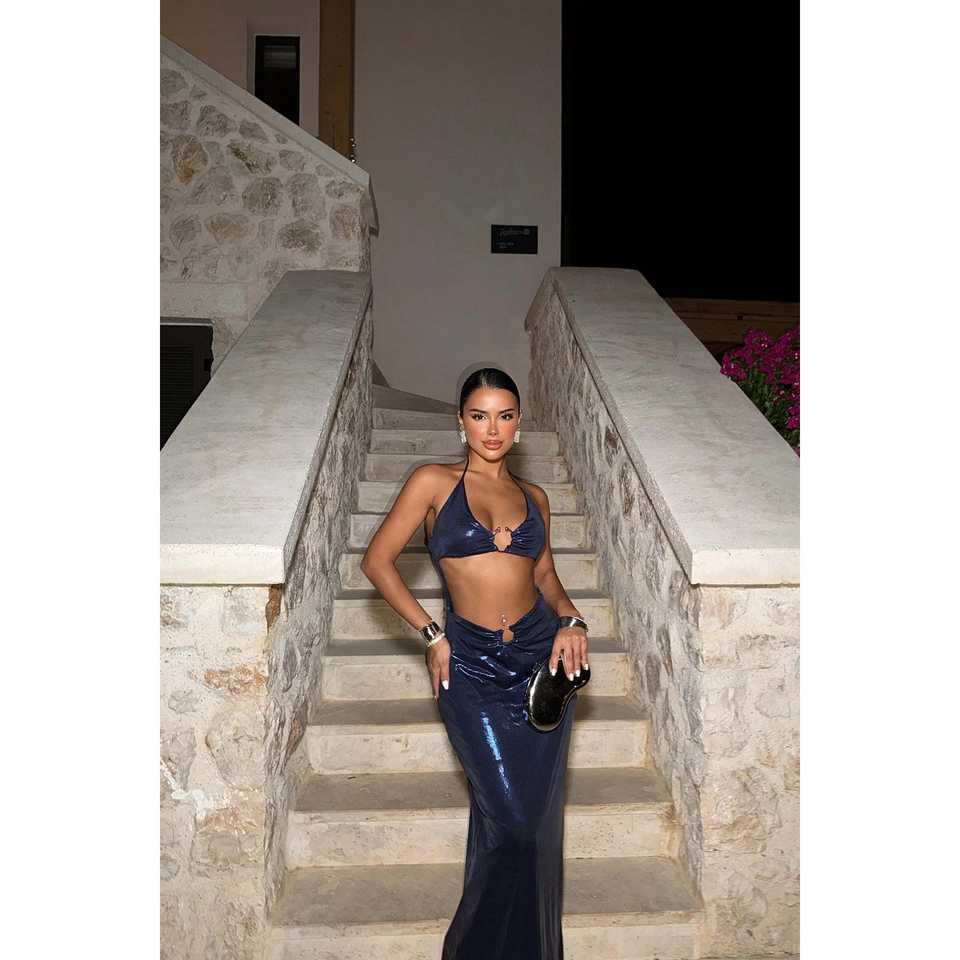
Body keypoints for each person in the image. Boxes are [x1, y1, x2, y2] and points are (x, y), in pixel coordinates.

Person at [360, 367, 589, 960]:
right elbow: (377, 562)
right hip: (470, 671)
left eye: (505, 416)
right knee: (511, 824)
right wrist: (431, 633)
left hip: (538, 668)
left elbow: (545, 576)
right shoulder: (433, 482)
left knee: (532, 830)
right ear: (460, 421)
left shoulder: (535, 498)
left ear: (519, 423)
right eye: (480, 415)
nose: (493, 428)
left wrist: (572, 621)